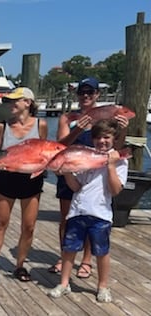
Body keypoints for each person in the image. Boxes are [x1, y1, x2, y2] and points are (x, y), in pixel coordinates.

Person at [50, 77, 129, 278]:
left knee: (91, 216)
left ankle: (86, 260)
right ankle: (64, 255)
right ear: (76, 95)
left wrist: (124, 129)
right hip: (72, 167)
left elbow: (114, 147)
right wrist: (78, 128)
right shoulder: (67, 118)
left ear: (97, 95)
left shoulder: (105, 116)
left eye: (90, 92)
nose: (86, 96)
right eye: (82, 92)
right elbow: (60, 146)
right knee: (67, 217)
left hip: (94, 171)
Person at [48, 119, 127, 303]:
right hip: (78, 211)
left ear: (114, 139)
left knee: (102, 252)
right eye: (98, 138)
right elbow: (76, 187)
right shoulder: (85, 157)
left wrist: (111, 165)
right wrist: (67, 171)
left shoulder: (119, 161)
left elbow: (115, 191)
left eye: (106, 137)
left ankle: (103, 286)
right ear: (92, 140)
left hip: (101, 214)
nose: (102, 141)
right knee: (69, 249)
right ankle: (64, 283)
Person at [0, 87, 47, 283]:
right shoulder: (2, 126)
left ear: (28, 102)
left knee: (29, 226)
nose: (11, 104)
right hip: (7, 178)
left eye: (15, 101)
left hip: (31, 180)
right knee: (0, 223)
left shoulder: (40, 125)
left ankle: (19, 265)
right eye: (9, 101)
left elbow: (43, 152)